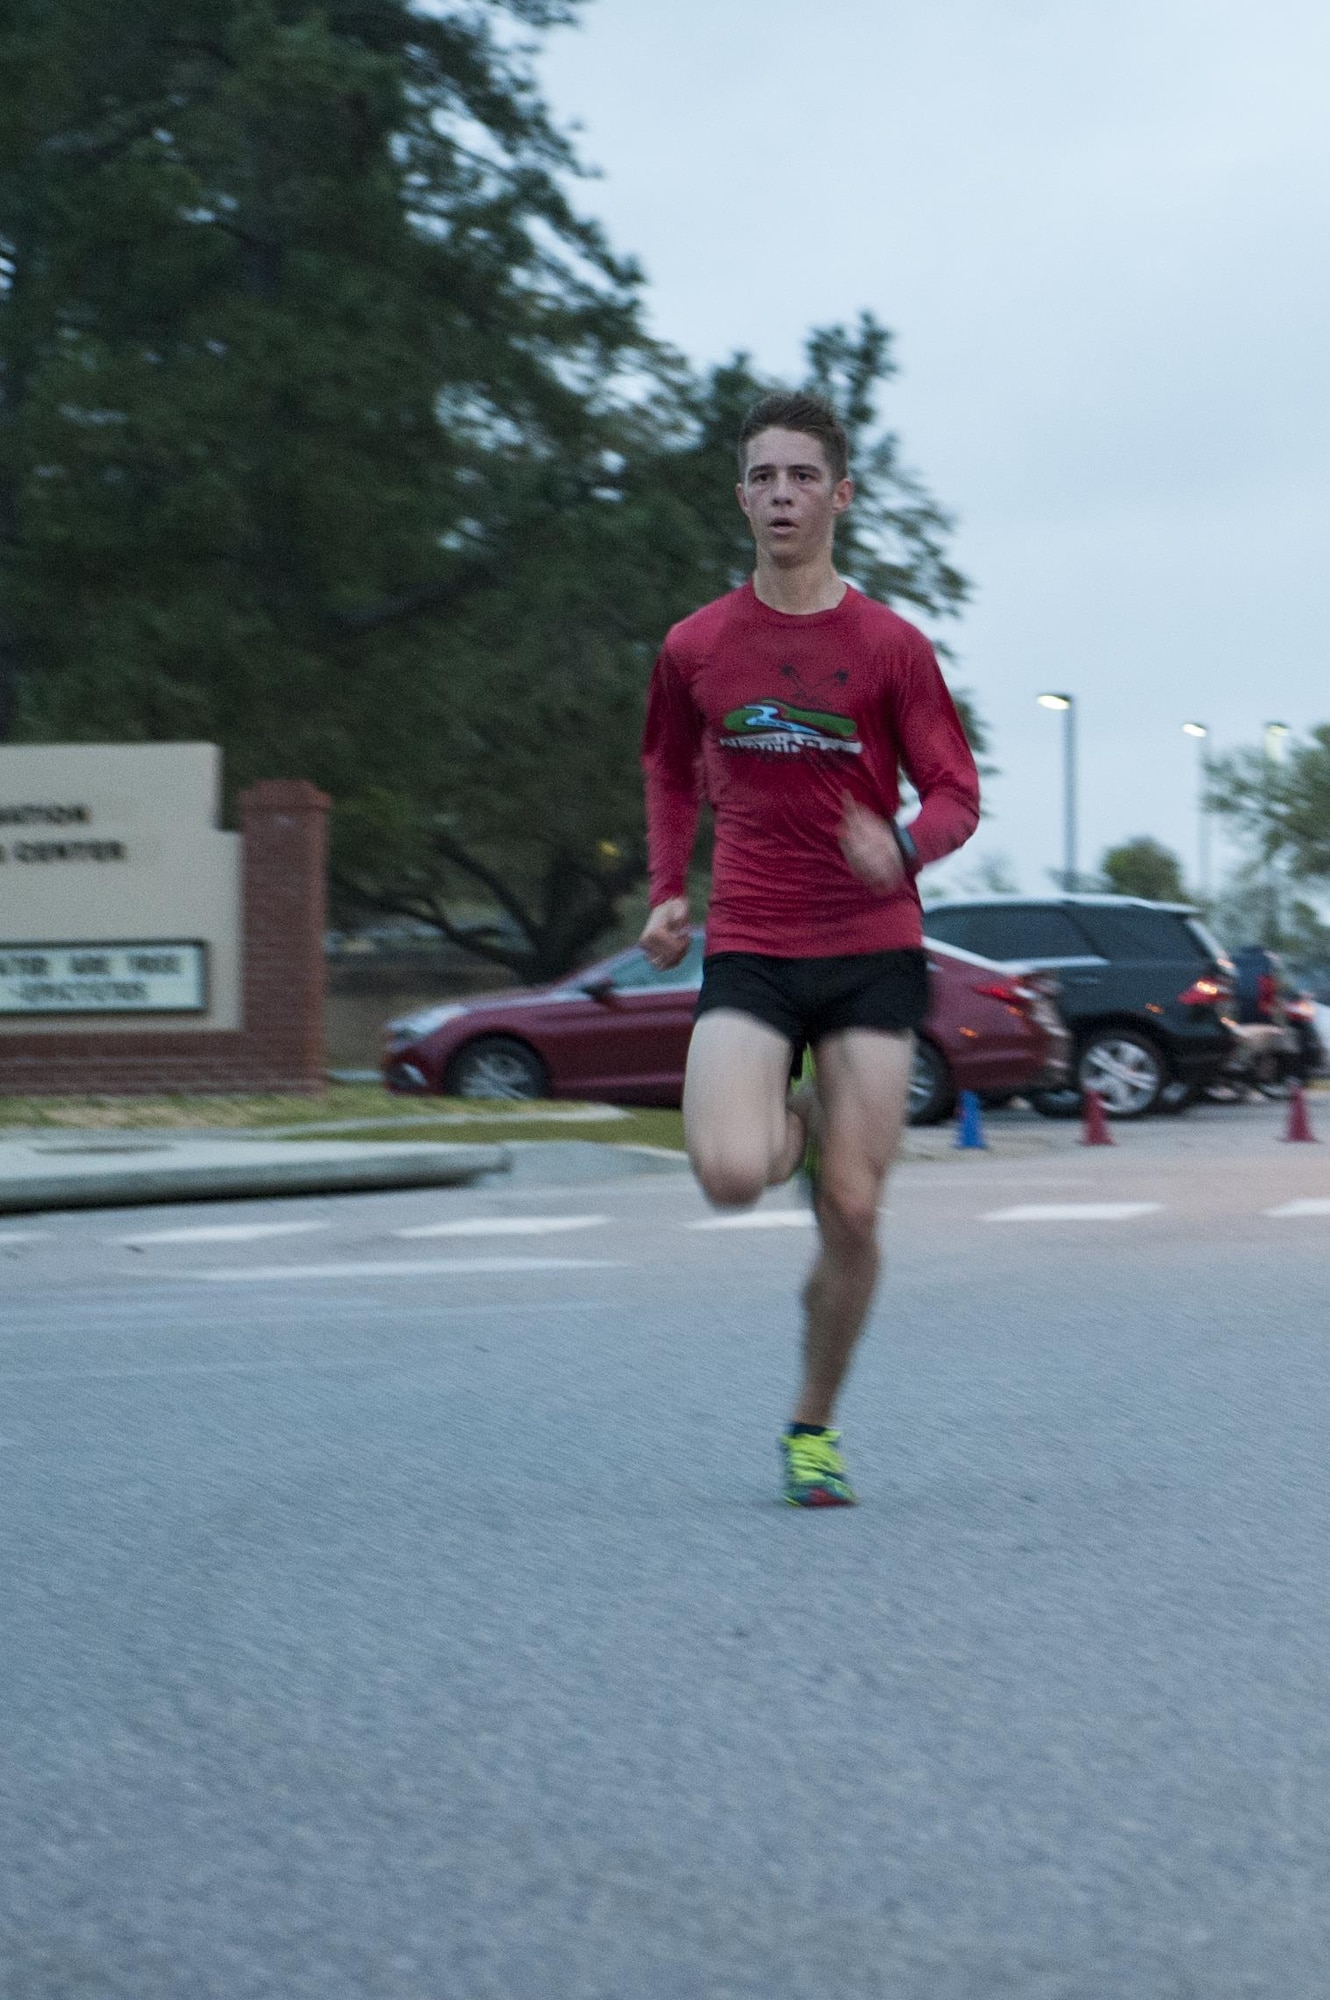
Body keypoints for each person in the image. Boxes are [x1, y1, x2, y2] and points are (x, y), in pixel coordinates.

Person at [639, 391, 980, 1506]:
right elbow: (666, 769)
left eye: (800, 475)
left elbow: (955, 792)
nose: (780, 493)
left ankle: (812, 1426)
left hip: (870, 945)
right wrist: (662, 892)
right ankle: (789, 1114)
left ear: (839, 494)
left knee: (855, 1208)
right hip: (750, 939)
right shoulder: (696, 645)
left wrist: (906, 844)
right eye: (761, 476)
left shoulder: (889, 647)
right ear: (740, 496)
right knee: (733, 1173)